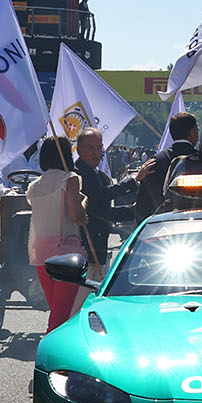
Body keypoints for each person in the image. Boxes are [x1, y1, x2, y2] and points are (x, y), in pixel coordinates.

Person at [28, 136, 90, 331]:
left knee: (56, 309)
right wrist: (84, 202)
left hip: (39, 253)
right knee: (62, 317)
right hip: (66, 253)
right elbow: (76, 215)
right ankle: (51, 354)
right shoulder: (70, 179)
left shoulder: (34, 187)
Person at [132, 112, 199, 225]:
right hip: (196, 226)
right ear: (193, 132)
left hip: (161, 228)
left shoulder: (154, 162)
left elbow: (143, 205)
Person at [73, 130, 123, 271]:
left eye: (99, 147)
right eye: (90, 148)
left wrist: (134, 211)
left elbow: (106, 213)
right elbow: (99, 198)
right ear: (79, 150)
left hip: (99, 247)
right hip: (84, 250)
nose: (96, 152)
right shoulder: (78, 174)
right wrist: (132, 181)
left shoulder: (99, 175)